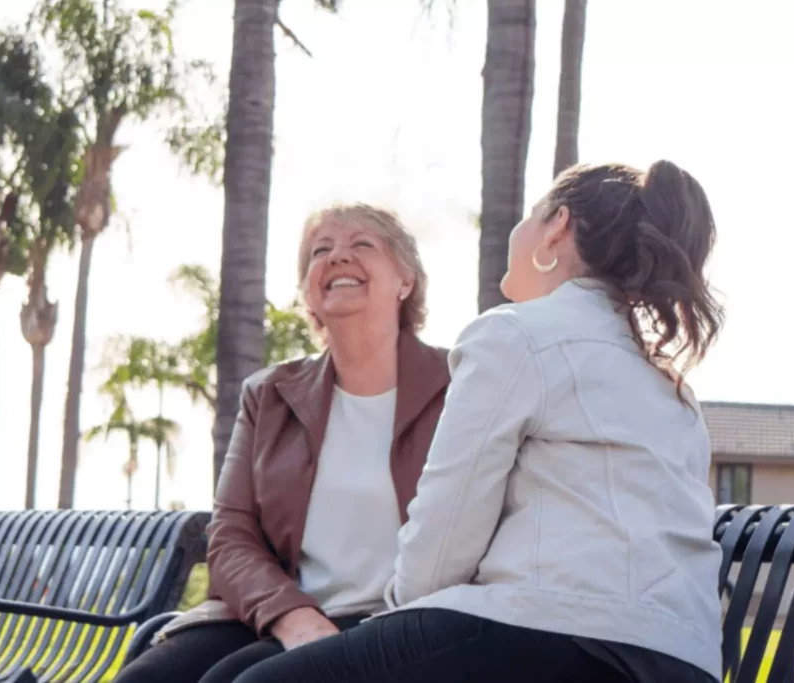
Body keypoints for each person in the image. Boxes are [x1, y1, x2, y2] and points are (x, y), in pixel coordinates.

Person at [232, 161, 725, 683]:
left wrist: (392, 621)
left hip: (554, 637)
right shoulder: (671, 386)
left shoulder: (514, 335)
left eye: (530, 215)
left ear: (557, 226)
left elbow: (445, 536)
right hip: (681, 658)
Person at [114, 203, 449, 683]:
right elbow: (231, 536)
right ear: (309, 296)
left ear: (406, 280)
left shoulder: (460, 384)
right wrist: (292, 616)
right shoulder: (269, 395)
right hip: (281, 610)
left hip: (400, 619)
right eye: (320, 251)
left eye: (362, 244)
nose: (337, 257)